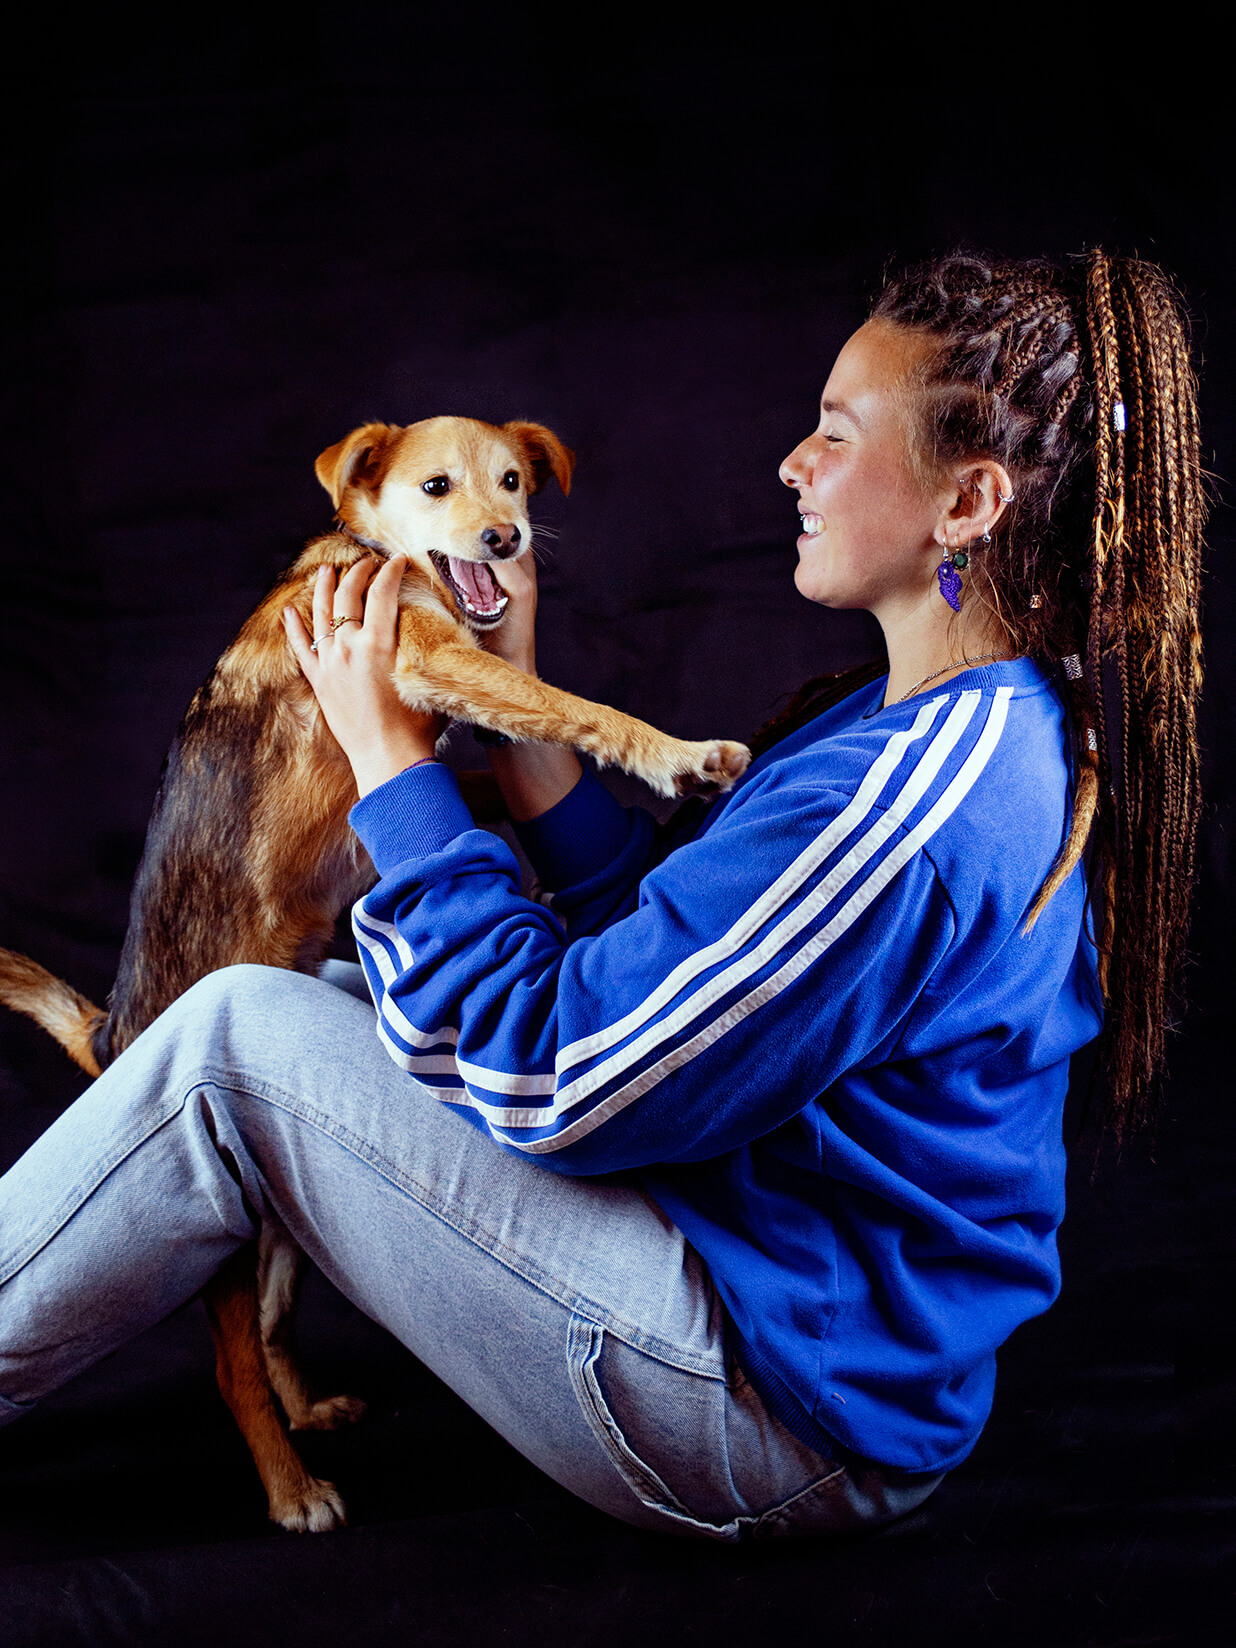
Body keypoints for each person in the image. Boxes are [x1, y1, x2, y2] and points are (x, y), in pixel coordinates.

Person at [0, 251, 1204, 1539]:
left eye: (837, 437)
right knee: (331, 992)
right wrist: (519, 717)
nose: (793, 464)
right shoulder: (948, 725)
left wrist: (395, 771)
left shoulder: (916, 800)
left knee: (239, 1039)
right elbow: (676, 965)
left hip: (774, 1409)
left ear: (967, 504)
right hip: (763, 1286)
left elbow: (556, 1075)